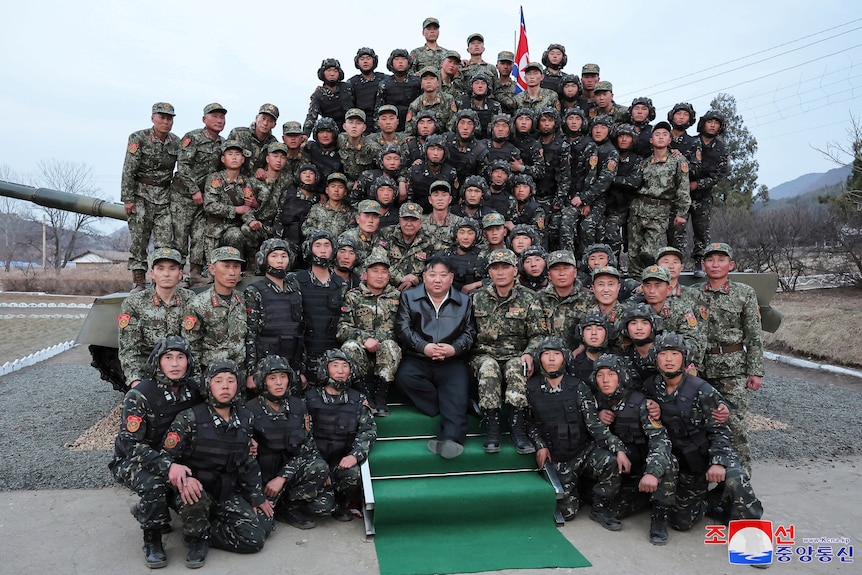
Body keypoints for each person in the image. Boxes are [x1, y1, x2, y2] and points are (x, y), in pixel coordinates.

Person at [641, 333, 763, 531]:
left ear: (685, 357)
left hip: (708, 455)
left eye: (675, 353)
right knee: (682, 522)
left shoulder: (702, 390)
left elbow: (720, 431)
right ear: (656, 357)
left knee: (736, 477)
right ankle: (711, 502)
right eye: (663, 354)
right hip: (684, 463)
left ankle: (751, 534)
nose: (669, 359)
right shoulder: (651, 388)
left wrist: (718, 462)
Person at [160, 360, 273, 567]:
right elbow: (165, 457)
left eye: (231, 381)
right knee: (195, 499)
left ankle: (204, 528)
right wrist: (184, 479)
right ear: (208, 385)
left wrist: (256, 497)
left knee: (258, 535)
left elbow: (247, 461)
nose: (225, 386)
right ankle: (196, 539)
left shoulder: (245, 418)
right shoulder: (189, 418)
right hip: (195, 491)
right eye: (218, 381)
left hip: (226, 492)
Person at [109, 336, 202, 569]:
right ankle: (152, 539)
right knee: (154, 486)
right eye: (168, 357)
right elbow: (130, 444)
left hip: (178, 458)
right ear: (157, 361)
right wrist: (168, 466)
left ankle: (150, 510)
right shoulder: (140, 395)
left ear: (188, 361)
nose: (175, 363)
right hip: (135, 461)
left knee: (205, 482)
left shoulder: (194, 390)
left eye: (181, 357)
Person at [524, 337, 625, 529]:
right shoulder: (531, 389)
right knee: (567, 513)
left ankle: (600, 508)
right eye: (546, 354)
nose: (551, 359)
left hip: (582, 451)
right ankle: (580, 491)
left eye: (557, 354)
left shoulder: (578, 387)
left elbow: (594, 424)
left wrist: (618, 448)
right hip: (557, 456)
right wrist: (540, 445)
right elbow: (528, 424)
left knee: (610, 462)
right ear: (540, 358)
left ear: (565, 358)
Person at [396, 255, 476, 458]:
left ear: (451, 278)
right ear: (424, 277)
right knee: (405, 378)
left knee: (456, 386)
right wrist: (424, 347)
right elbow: (403, 328)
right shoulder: (409, 297)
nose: (437, 280)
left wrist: (453, 349)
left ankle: (450, 440)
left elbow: (470, 333)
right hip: (418, 357)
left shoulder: (464, 301)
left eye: (442, 275)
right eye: (432, 275)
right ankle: (458, 402)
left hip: (451, 359)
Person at [592, 354, 677, 545]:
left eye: (612, 374)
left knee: (669, 462)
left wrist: (652, 473)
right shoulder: (596, 402)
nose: (605, 380)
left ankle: (659, 517)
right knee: (615, 511)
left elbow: (661, 441)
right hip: (623, 472)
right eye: (600, 375)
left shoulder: (641, 404)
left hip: (644, 465)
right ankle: (642, 497)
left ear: (621, 376)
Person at [470, 248, 548, 454]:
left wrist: (529, 353)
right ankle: (493, 426)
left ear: (515, 270)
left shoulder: (530, 298)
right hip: (484, 354)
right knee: (489, 368)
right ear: (489, 272)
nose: (501, 272)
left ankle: (517, 426)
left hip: (516, 353)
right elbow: (467, 332)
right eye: (496, 268)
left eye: (506, 267)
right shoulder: (476, 298)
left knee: (516, 368)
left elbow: (538, 334)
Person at [695, 242, 764, 475]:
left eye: (721, 259)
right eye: (710, 260)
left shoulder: (744, 293)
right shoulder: (694, 293)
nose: (715, 264)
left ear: (731, 264)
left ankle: (740, 480)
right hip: (702, 369)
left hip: (733, 369)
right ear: (703, 265)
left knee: (734, 425)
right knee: (702, 424)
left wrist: (755, 371)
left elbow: (754, 334)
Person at [246, 355, 328, 530]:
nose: (279, 383)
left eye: (283, 377)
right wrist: (255, 494)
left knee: (324, 504)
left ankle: (288, 507)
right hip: (263, 482)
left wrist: (282, 477)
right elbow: (245, 462)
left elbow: (307, 447)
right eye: (272, 378)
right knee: (260, 527)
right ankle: (271, 504)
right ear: (263, 380)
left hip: (288, 477)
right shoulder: (248, 411)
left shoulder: (299, 406)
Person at [304, 349, 377, 521]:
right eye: (335, 365)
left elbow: (368, 430)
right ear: (325, 369)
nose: (340, 370)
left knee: (354, 475)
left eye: (345, 366)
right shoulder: (309, 399)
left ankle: (341, 502)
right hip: (313, 463)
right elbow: (302, 436)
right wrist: (320, 467)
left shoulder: (358, 399)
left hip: (340, 462)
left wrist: (355, 455)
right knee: (320, 509)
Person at [122, 102, 180, 292]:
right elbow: (129, 170)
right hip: (141, 194)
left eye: (169, 118)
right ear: (153, 118)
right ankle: (139, 281)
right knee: (139, 240)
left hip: (164, 197)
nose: (165, 122)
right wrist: (128, 198)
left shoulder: (176, 142)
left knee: (165, 242)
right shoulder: (139, 138)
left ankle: (160, 282)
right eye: (162, 117)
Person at [119, 247, 196, 389]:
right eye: (161, 268)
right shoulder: (134, 303)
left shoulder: (191, 300)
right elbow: (129, 348)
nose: (166, 274)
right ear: (152, 274)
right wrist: (135, 381)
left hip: (183, 374)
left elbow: (196, 343)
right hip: (149, 375)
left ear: (180, 274)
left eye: (172, 269)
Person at [337, 250, 403, 415]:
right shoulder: (353, 297)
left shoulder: (397, 297)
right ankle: (364, 393)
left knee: (390, 346)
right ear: (365, 275)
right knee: (349, 346)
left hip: (387, 359)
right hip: (362, 357)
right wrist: (364, 339)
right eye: (375, 271)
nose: (380, 276)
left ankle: (380, 395)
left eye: (384, 272)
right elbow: (341, 329)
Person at [171, 103, 227, 286]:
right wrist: (194, 190)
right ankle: (176, 275)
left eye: (222, 117)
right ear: (204, 119)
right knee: (179, 237)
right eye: (215, 116)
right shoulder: (192, 138)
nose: (219, 121)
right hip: (183, 196)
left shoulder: (222, 143)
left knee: (200, 236)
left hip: (204, 199)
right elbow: (183, 166)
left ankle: (195, 274)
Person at [627, 121, 690, 278]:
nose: (661, 137)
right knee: (634, 252)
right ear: (651, 140)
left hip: (659, 211)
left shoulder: (678, 161)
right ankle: (635, 288)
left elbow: (683, 187)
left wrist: (682, 212)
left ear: (669, 140)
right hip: (638, 209)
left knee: (650, 252)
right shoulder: (645, 162)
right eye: (657, 134)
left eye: (664, 135)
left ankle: (653, 282)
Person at [244, 239, 305, 390]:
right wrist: (251, 372)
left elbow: (300, 331)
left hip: (291, 363)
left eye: (283, 256)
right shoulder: (254, 291)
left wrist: (301, 370)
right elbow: (251, 333)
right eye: (274, 256)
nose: (279, 261)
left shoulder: (295, 291)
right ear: (264, 259)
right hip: (266, 364)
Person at [184, 247, 249, 380]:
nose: (232, 272)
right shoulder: (198, 304)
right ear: (212, 269)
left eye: (236, 266)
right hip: (212, 376)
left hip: (241, 374)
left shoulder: (244, 300)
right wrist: (197, 381)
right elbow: (192, 348)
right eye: (226, 266)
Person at [292, 231, 346, 384]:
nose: (323, 250)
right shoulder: (296, 281)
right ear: (309, 249)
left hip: (331, 354)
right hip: (302, 353)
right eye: (318, 245)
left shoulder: (341, 285)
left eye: (327, 245)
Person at [687, 111, 730, 277]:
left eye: (716, 123)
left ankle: (699, 264)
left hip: (703, 196)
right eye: (710, 122)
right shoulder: (691, 142)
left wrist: (698, 184)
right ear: (703, 123)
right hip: (683, 195)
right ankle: (672, 262)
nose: (712, 125)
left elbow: (719, 175)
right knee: (676, 231)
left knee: (701, 232)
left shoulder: (721, 149)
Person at [640, 265, 706, 372]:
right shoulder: (636, 310)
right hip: (644, 366)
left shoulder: (681, 310)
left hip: (675, 368)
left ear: (669, 289)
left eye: (658, 285)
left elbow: (694, 345)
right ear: (642, 289)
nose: (652, 290)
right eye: (648, 285)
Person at [201, 139, 258, 261]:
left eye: (237, 154)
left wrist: (251, 220)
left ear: (243, 160)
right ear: (223, 159)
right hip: (216, 230)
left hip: (235, 228)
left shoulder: (245, 181)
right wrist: (235, 209)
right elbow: (210, 206)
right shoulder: (215, 179)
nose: (234, 158)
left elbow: (247, 208)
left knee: (242, 233)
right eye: (230, 154)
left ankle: (245, 265)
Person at [537, 250, 592, 351]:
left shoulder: (589, 298)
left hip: (578, 355)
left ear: (575, 272)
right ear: (549, 275)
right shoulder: (539, 298)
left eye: (566, 269)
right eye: (556, 269)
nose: (561, 273)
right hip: (546, 355)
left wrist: (582, 348)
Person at [604, 123, 643, 265]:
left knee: (628, 238)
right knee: (607, 233)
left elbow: (635, 181)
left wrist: (612, 179)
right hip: (607, 203)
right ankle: (613, 264)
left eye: (628, 136)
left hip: (628, 204)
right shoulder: (609, 154)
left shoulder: (636, 159)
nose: (624, 140)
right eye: (621, 136)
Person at [377, 201, 437, 290]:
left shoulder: (429, 240)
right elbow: (378, 261)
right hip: (385, 287)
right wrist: (400, 278)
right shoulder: (385, 234)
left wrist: (416, 280)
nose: (409, 224)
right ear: (400, 220)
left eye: (413, 220)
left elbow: (435, 268)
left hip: (417, 289)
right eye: (405, 219)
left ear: (421, 223)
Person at [406, 133, 458, 212]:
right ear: (426, 150)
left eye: (439, 149)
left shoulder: (451, 172)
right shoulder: (414, 171)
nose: (436, 153)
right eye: (432, 149)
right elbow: (409, 201)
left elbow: (453, 200)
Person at [303, 58, 355, 137]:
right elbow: (312, 116)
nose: (332, 74)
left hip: (352, 130)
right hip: (330, 133)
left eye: (335, 71)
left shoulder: (348, 88)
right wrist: (305, 134)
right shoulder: (318, 95)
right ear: (323, 73)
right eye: (328, 70)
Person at [275, 162, 320, 250]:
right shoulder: (289, 194)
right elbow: (278, 217)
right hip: (288, 238)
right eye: (304, 173)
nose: (307, 176)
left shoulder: (318, 199)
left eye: (311, 173)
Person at [376, 49, 422, 133]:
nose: (400, 62)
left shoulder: (417, 82)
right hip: (390, 128)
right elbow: (378, 109)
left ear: (408, 62)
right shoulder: (384, 84)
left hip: (414, 125)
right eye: (397, 59)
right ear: (391, 63)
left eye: (403, 59)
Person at [228, 104, 279, 178]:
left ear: (274, 125)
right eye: (263, 118)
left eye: (270, 121)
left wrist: (264, 170)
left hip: (258, 183)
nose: (265, 123)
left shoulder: (274, 143)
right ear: (256, 118)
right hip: (235, 180)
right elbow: (225, 158)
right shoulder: (238, 134)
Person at [405, 66, 457, 136]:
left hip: (443, 139)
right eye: (425, 79)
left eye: (432, 79)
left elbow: (452, 126)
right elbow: (409, 130)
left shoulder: (448, 99)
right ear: (421, 84)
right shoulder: (415, 104)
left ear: (438, 83)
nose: (429, 82)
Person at [302, 172, 356, 239]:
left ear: (345, 192)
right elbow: (305, 228)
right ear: (327, 190)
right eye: (333, 186)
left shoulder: (350, 212)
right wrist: (321, 236)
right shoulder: (317, 209)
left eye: (340, 187)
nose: (336, 190)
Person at [435, 218, 481, 292]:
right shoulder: (444, 254)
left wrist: (475, 285)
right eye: (462, 233)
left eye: (470, 233)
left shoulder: (482, 255)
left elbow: (493, 279)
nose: (466, 237)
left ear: (476, 235)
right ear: (455, 234)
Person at [338, 108, 379, 190]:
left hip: (367, 187)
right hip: (344, 186)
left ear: (364, 128)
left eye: (358, 123)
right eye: (350, 122)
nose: (354, 126)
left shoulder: (372, 148)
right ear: (344, 126)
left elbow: (382, 171)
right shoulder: (339, 140)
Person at [348, 47, 387, 132]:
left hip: (382, 125)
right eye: (362, 59)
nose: (365, 61)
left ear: (374, 61)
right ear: (357, 62)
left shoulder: (384, 79)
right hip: (360, 125)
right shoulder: (352, 82)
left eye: (368, 58)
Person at [493, 51, 518, 115]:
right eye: (503, 63)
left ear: (512, 67)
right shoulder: (491, 85)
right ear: (497, 66)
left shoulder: (517, 87)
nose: (506, 67)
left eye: (509, 64)